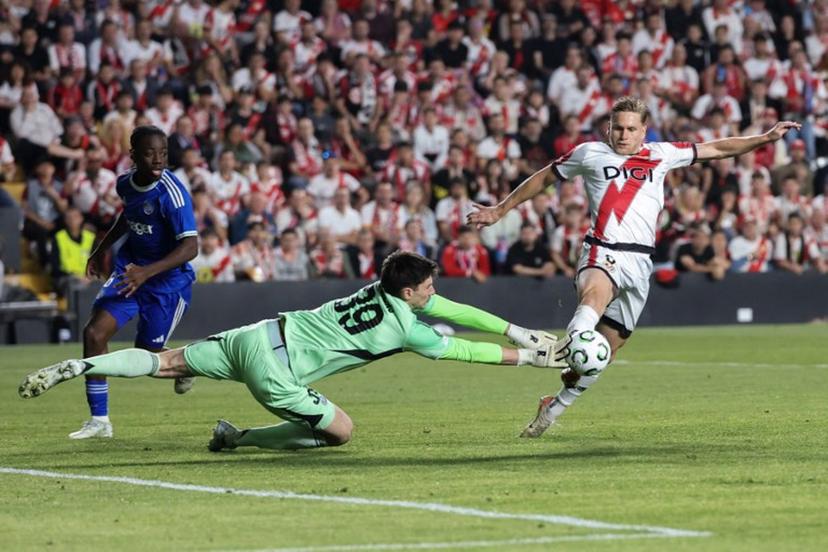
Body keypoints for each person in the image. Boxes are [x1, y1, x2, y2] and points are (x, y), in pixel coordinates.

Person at [468, 96, 800, 438]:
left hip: (641, 262)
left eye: (631, 129)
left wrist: (764, 138)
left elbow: (716, 148)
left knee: (604, 354)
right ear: (608, 128)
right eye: (617, 128)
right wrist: (500, 209)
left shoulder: (661, 154)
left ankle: (553, 407)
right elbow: (543, 178)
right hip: (603, 249)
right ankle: (573, 339)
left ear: (644, 130)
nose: (623, 135)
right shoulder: (589, 153)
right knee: (594, 298)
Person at [19, 252, 569, 449]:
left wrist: (517, 330)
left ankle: (84, 364)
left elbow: (454, 312)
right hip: (276, 372)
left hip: (255, 333)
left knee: (167, 361)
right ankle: (239, 439)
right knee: (341, 432)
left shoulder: (379, 289)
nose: (434, 293)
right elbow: (463, 352)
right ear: (408, 291)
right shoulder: (405, 328)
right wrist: (533, 358)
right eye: (426, 287)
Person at [77, 125, 199, 440]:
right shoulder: (125, 184)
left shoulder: (173, 194)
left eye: (163, 153)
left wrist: (147, 273)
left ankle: (189, 364)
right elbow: (128, 217)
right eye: (149, 153)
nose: (158, 160)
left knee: (147, 352)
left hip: (166, 282)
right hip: (131, 271)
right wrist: (101, 248)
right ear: (133, 155)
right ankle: (100, 421)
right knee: (93, 333)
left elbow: (190, 248)